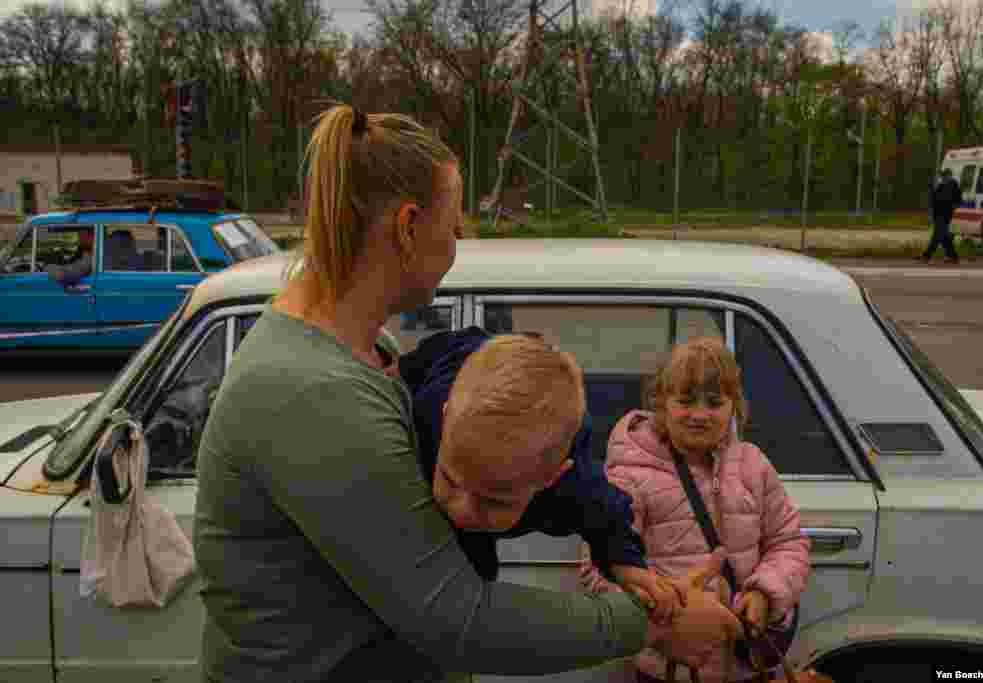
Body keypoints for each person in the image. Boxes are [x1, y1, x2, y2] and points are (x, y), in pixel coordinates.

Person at [193, 103, 743, 683]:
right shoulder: (312, 390)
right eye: (452, 227)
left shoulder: (359, 351)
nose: (457, 246)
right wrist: (656, 623)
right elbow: (458, 620)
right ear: (408, 228)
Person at [399, 327, 685, 622]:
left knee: (473, 575)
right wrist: (397, 369)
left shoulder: (575, 487)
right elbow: (440, 352)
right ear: (446, 417)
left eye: (494, 502)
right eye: (449, 479)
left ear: (551, 477)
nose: (461, 509)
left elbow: (610, 519)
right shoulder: (430, 411)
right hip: (462, 354)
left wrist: (629, 567)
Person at [580, 337, 811, 683]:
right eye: (686, 401)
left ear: (734, 406)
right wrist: (665, 616)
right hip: (668, 668)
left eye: (715, 402)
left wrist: (765, 593)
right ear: (662, 403)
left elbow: (788, 542)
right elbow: (599, 569)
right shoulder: (629, 477)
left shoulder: (754, 466)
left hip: (745, 666)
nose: (700, 414)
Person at [921, 168, 962, 264]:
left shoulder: (953, 185)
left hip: (946, 214)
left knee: (937, 235)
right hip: (937, 214)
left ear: (950, 176)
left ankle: (926, 256)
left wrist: (953, 206)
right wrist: (931, 214)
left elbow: (959, 198)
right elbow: (933, 200)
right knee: (944, 236)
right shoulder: (939, 185)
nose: (944, 178)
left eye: (946, 176)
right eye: (943, 176)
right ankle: (953, 257)